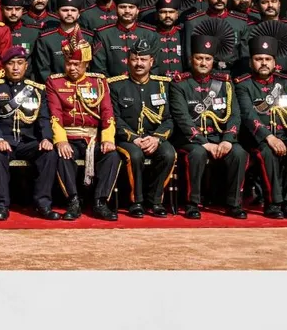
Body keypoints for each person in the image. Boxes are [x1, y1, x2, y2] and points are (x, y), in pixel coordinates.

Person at [169, 33, 247, 220]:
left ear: (213, 61)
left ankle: (234, 203)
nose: (203, 62)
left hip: (219, 136)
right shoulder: (180, 83)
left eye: (207, 59)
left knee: (239, 153)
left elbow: (235, 114)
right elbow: (182, 117)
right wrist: (204, 142)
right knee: (197, 154)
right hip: (191, 139)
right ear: (191, 59)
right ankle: (192, 203)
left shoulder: (225, 84)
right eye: (199, 58)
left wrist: (228, 140)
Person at [45, 36, 120, 221]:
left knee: (112, 156)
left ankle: (100, 202)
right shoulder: (55, 83)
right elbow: (55, 115)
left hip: (94, 138)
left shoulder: (99, 82)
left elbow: (107, 113)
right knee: (62, 154)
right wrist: (60, 140)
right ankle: (73, 200)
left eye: (77, 64)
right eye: (69, 63)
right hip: (69, 137)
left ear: (86, 63)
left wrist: (108, 138)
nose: (72, 68)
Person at [237, 34, 287, 219]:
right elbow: (248, 115)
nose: (263, 63)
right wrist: (268, 137)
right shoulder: (243, 84)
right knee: (267, 153)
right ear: (251, 61)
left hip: (284, 135)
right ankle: (273, 202)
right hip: (256, 138)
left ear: (274, 61)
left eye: (267, 59)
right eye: (258, 59)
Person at [0, 46, 59, 220]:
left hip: (28, 142)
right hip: (5, 140)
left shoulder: (36, 90)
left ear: (26, 66)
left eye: (20, 63)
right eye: (11, 63)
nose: (16, 68)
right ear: (4, 66)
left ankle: (43, 204)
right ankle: (2, 205)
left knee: (49, 153)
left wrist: (47, 138)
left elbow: (44, 119)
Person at [106, 40, 175, 218]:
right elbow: (114, 118)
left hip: (154, 137)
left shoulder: (163, 85)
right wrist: (134, 138)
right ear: (127, 61)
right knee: (134, 155)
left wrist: (157, 138)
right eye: (135, 59)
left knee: (169, 154)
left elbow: (169, 118)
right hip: (127, 138)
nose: (139, 63)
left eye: (143, 59)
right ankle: (136, 201)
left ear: (151, 61)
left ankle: (156, 200)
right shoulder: (115, 85)